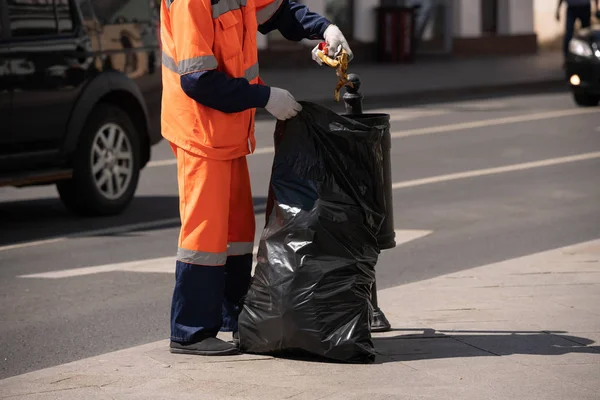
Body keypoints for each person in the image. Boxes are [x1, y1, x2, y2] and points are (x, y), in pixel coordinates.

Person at [160, 0, 353, 356]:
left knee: (236, 231)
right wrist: (264, 96)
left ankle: (236, 319)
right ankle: (190, 330)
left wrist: (323, 29)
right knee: (205, 233)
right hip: (200, 131)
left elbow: (279, 11)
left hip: (228, 129)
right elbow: (197, 80)